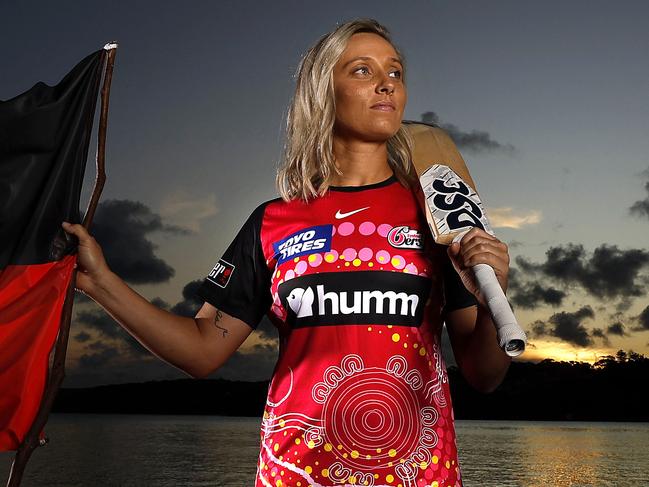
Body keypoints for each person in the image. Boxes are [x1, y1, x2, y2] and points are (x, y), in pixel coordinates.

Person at [62, 18, 512, 487]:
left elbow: (484, 374)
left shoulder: (437, 217)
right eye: (362, 70)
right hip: (296, 473)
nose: (386, 84)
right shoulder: (273, 221)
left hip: (419, 475)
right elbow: (201, 351)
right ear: (322, 92)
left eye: (395, 73)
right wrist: (100, 282)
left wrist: (492, 294)